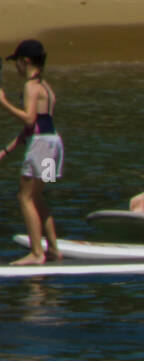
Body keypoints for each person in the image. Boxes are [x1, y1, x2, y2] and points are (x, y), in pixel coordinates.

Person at [1, 40, 62, 266]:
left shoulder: (30, 87)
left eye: (16, 61)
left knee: (24, 197)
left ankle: (37, 253)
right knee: (37, 197)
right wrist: (7, 151)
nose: (15, 67)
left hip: (41, 146)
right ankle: (53, 250)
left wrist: (4, 103)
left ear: (25, 61)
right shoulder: (46, 87)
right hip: (53, 144)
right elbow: (35, 126)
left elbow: (28, 119)